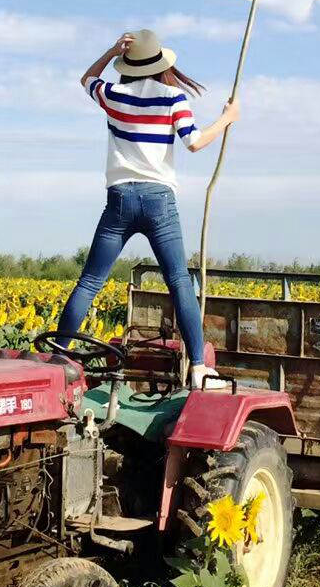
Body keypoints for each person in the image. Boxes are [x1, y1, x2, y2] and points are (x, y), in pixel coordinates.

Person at [57, 28, 240, 388]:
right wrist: (228, 117)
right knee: (178, 283)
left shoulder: (113, 94)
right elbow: (195, 143)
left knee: (91, 280)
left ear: (129, 65)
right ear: (159, 64)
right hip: (159, 200)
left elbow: (86, 79)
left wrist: (110, 50)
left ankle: (59, 354)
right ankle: (200, 367)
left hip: (120, 199)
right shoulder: (173, 97)